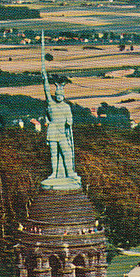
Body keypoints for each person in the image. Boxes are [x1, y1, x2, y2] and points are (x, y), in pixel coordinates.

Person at [41, 32, 81, 186]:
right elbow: (46, 89)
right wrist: (45, 77)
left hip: (62, 132)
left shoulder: (66, 106)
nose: (59, 96)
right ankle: (54, 173)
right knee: (53, 154)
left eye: (61, 94)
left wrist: (69, 122)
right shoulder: (51, 104)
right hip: (52, 130)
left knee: (66, 152)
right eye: (57, 94)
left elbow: (69, 119)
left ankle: (70, 172)